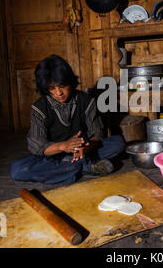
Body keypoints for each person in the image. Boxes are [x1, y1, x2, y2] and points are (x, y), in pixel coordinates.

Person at [9, 54, 125, 185]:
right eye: (52, 88)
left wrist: (85, 148)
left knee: (118, 143)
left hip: (82, 152)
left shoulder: (87, 101)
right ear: (46, 88)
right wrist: (64, 146)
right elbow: (37, 146)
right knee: (17, 169)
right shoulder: (39, 108)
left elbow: (97, 135)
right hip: (54, 156)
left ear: (70, 82)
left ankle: (68, 170)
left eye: (62, 85)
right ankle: (82, 167)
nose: (59, 93)